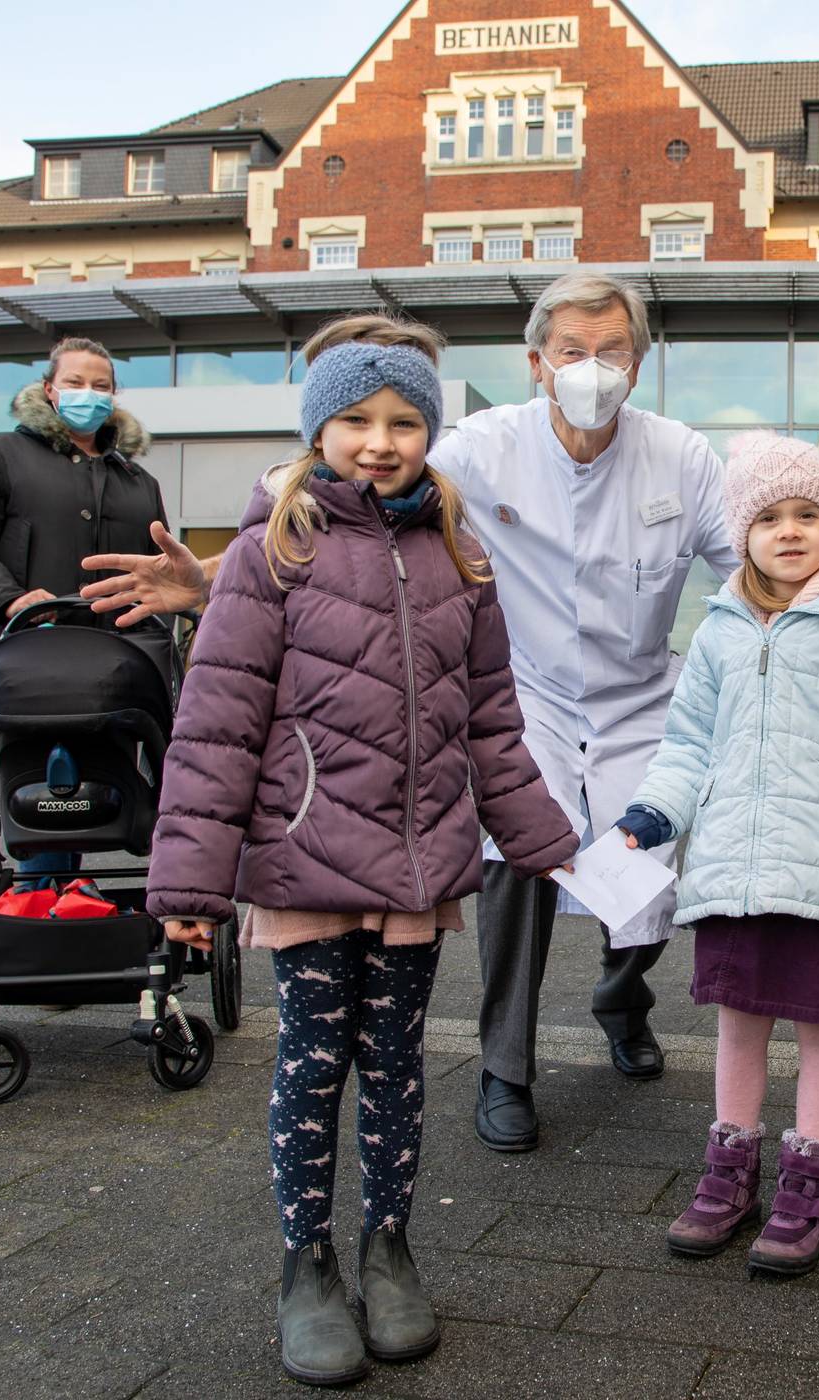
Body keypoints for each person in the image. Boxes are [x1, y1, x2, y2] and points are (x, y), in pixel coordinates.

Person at [78, 271, 819, 1154]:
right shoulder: (480, 447)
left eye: (611, 350)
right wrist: (217, 580)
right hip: (524, 694)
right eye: (571, 348)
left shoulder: (678, 455)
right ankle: (505, 1068)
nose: (590, 366)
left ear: (637, 365)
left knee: (656, 854)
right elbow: (353, 491)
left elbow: (761, 569)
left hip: (643, 697)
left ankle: (620, 995)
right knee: (515, 855)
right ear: (536, 362)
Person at [142, 314, 578, 1386]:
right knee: (311, 1063)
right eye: (353, 419)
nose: (378, 441)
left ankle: (389, 1247)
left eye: (401, 421)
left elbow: (492, 721)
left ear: (429, 432)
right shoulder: (269, 551)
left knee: (396, 1070)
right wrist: (191, 880)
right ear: (317, 428)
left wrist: (542, 838)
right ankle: (307, 1263)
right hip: (305, 864)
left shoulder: (460, 557)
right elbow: (218, 722)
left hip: (419, 869)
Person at [613, 432, 819, 1276]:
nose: (788, 531)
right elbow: (688, 742)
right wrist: (654, 813)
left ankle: (807, 1185)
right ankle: (729, 1174)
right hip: (735, 867)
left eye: (806, 515)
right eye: (767, 517)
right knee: (738, 1022)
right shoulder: (720, 627)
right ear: (741, 532)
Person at [0, 336, 168, 887]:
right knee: (45, 788)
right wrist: (9, 596)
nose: (90, 394)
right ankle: (43, 905)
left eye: (102, 385)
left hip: (123, 667)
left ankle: (147, 896)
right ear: (49, 390)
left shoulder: (138, 482)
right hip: (32, 667)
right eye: (76, 382)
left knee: (134, 781)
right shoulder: (3, 456)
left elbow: (161, 572)